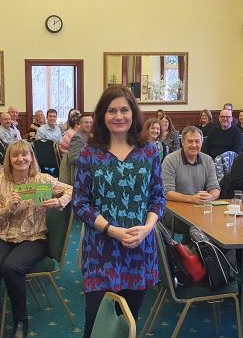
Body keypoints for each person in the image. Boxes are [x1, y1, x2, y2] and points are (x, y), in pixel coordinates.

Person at [72, 86, 165, 338]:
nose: (118, 116)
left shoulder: (149, 152)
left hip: (139, 249)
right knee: (95, 323)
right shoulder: (90, 154)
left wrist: (147, 227)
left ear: (133, 114)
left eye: (124, 109)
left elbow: (158, 197)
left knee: (127, 324)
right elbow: (80, 202)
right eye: (111, 110)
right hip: (100, 250)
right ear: (103, 115)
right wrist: (111, 230)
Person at [0, 141, 72, 338]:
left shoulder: (42, 180)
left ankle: (21, 323)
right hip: (4, 235)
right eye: (15, 156)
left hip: (34, 237)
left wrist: (59, 201)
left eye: (25, 155)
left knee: (11, 267)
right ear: (9, 160)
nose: (21, 159)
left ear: (31, 157)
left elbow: (71, 189)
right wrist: (8, 208)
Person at [162, 126, 220, 204]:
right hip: (176, 208)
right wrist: (191, 199)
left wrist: (210, 197)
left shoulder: (208, 160)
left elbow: (215, 188)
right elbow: (167, 192)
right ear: (182, 142)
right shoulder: (170, 160)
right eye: (190, 141)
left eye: (197, 141)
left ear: (202, 143)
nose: (194, 145)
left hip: (200, 207)